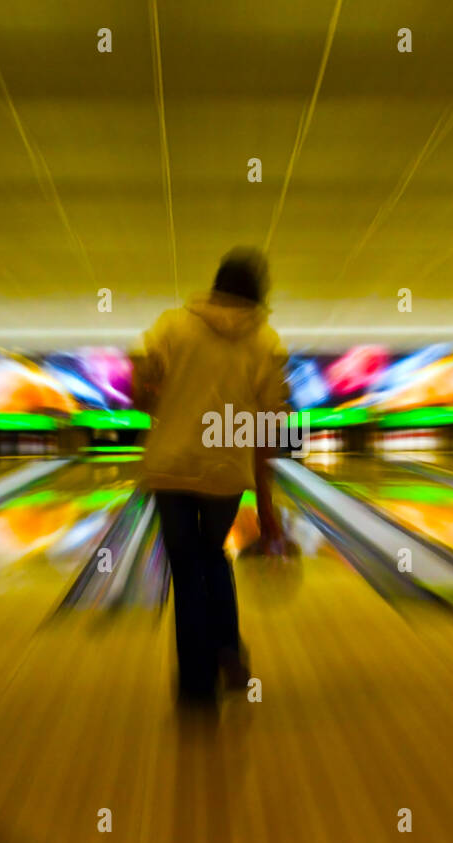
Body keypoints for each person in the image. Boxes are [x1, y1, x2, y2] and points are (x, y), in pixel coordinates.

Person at [132, 248, 288, 708]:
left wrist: (157, 392)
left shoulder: (171, 325)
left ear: (215, 284)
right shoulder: (265, 342)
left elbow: (139, 394)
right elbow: (267, 427)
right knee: (211, 555)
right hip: (225, 473)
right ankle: (227, 651)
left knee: (187, 570)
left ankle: (198, 686)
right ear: (259, 294)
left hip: (170, 467)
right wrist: (266, 505)